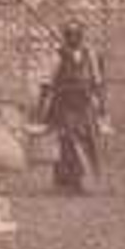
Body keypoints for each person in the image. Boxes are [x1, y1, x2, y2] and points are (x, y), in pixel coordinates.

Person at [46, 22, 103, 193]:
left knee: (87, 140)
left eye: (77, 34)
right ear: (66, 37)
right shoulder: (59, 55)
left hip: (84, 103)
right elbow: (50, 79)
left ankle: (86, 179)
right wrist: (48, 102)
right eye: (70, 35)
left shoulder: (89, 54)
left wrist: (99, 102)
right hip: (65, 103)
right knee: (68, 140)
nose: (74, 38)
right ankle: (68, 179)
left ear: (81, 36)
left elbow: (96, 79)